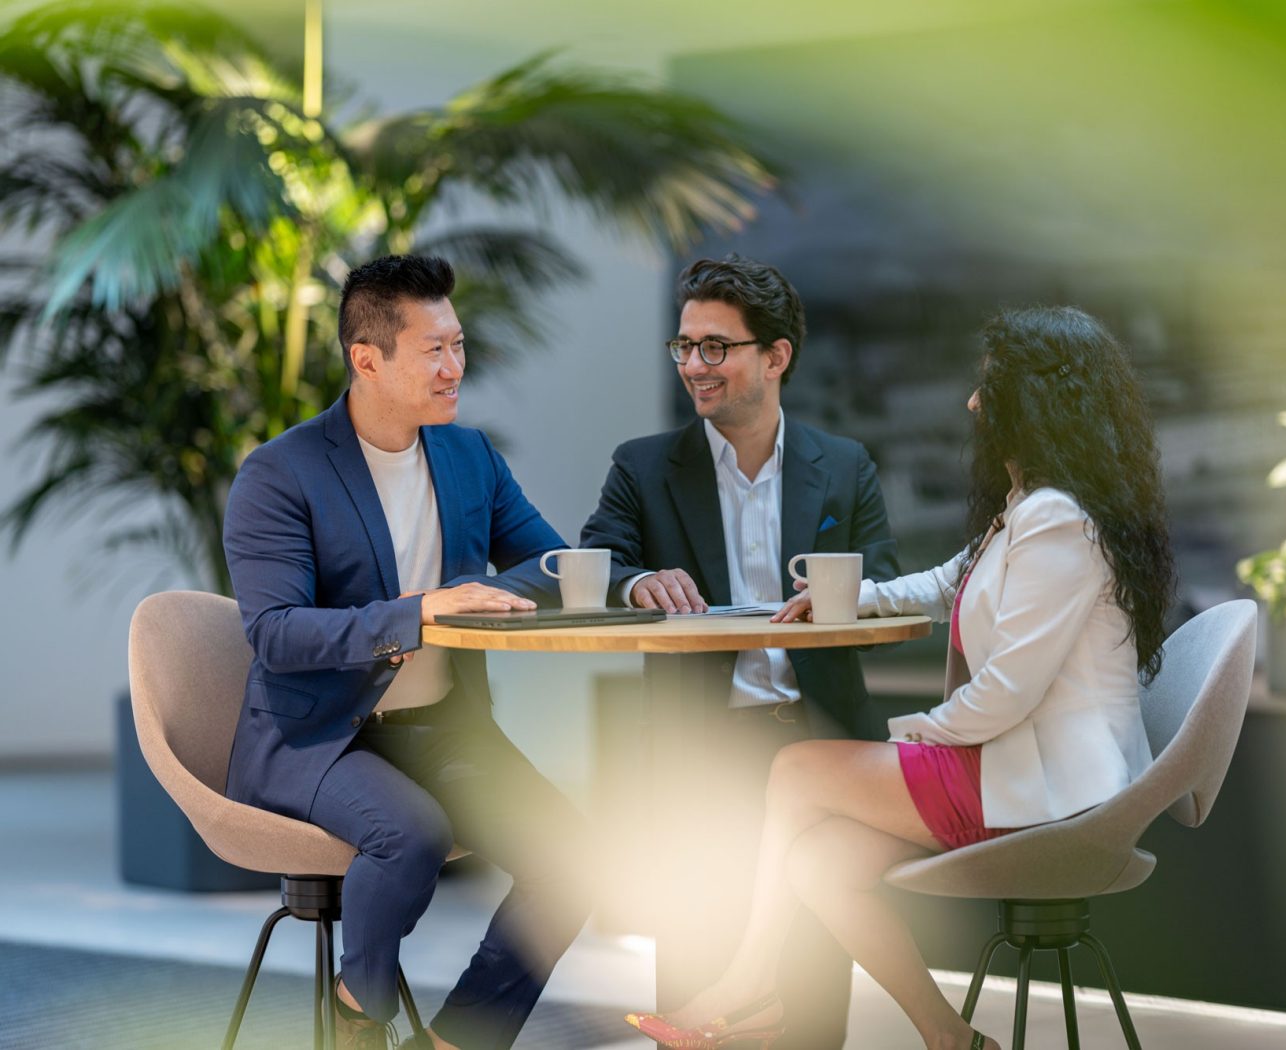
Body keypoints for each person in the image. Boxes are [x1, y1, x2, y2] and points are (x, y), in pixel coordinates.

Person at [624, 305, 1176, 1050]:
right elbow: (945, 582)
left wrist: (905, 737)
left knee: (796, 769)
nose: (973, 403)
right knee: (818, 864)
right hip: (1020, 770)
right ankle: (950, 1039)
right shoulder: (1028, 511)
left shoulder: (1057, 521)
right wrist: (843, 598)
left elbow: (1006, 693)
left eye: (990, 387)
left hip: (1053, 793)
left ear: (1036, 401)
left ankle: (748, 983)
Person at [222, 254, 593, 1050]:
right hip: (320, 735)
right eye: (434, 349)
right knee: (411, 833)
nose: (455, 366)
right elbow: (276, 632)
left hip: (442, 731)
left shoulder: (468, 456)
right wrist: (420, 612)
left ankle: (454, 1041)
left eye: (458, 344)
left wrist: (629, 582)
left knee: (574, 859)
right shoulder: (280, 474)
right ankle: (361, 1014)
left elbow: (548, 562)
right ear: (367, 359)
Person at [579, 255, 900, 1048]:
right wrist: (637, 581)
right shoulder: (643, 466)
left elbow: (885, 581)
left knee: (811, 988)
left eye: (715, 347)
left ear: (775, 356)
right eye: (684, 347)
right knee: (693, 978)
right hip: (701, 739)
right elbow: (600, 558)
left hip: (821, 735)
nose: (694, 366)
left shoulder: (844, 467)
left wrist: (840, 597)